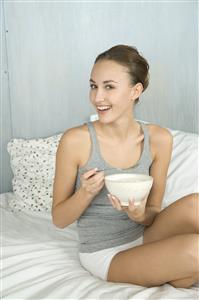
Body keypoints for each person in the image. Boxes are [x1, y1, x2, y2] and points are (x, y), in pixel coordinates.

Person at [52, 45, 199, 288]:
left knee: (195, 204)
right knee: (195, 248)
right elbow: (59, 219)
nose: (97, 97)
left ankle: (177, 272)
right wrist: (85, 192)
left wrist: (139, 214)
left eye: (109, 86)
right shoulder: (75, 140)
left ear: (135, 90)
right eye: (93, 86)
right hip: (106, 252)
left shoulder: (159, 139)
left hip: (145, 235)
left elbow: (153, 212)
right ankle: (179, 270)